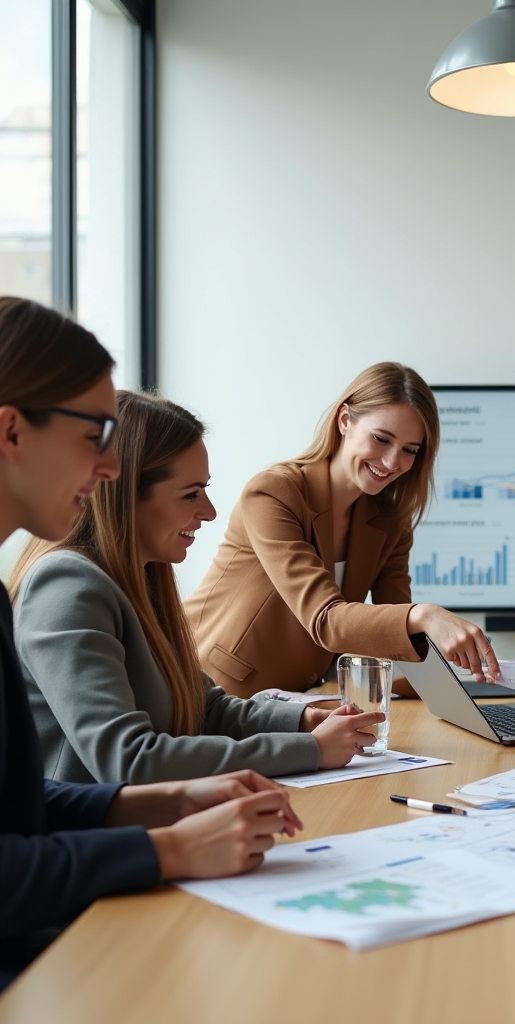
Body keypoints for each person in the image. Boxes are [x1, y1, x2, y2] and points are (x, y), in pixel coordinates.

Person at [0, 297, 303, 988]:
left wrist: (157, 805)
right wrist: (166, 848)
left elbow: (19, 804)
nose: (110, 467)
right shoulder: (65, 583)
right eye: (94, 436)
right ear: (12, 430)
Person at [10, 390, 384, 784]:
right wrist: (310, 750)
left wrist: (304, 721)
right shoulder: (67, 588)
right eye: (191, 494)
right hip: (94, 822)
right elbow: (130, 760)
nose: (209, 512)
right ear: (124, 494)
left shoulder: (139, 580)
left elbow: (205, 708)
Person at [185, 362, 500, 699]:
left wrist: (471, 677)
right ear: (345, 420)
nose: (392, 462)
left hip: (294, 699)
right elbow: (325, 619)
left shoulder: (390, 522)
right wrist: (426, 615)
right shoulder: (274, 492)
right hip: (211, 689)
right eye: (381, 439)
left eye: (409, 450)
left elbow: (395, 629)